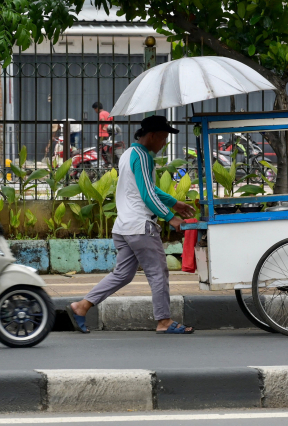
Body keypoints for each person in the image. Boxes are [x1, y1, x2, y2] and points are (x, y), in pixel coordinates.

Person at [66, 115, 196, 334]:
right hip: (140, 226)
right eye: (163, 138)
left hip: (124, 226)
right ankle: (164, 321)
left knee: (123, 274)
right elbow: (146, 195)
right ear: (152, 135)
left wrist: (175, 202)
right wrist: (170, 216)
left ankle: (82, 306)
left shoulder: (129, 153)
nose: (164, 143)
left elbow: (147, 189)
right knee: (158, 272)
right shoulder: (143, 157)